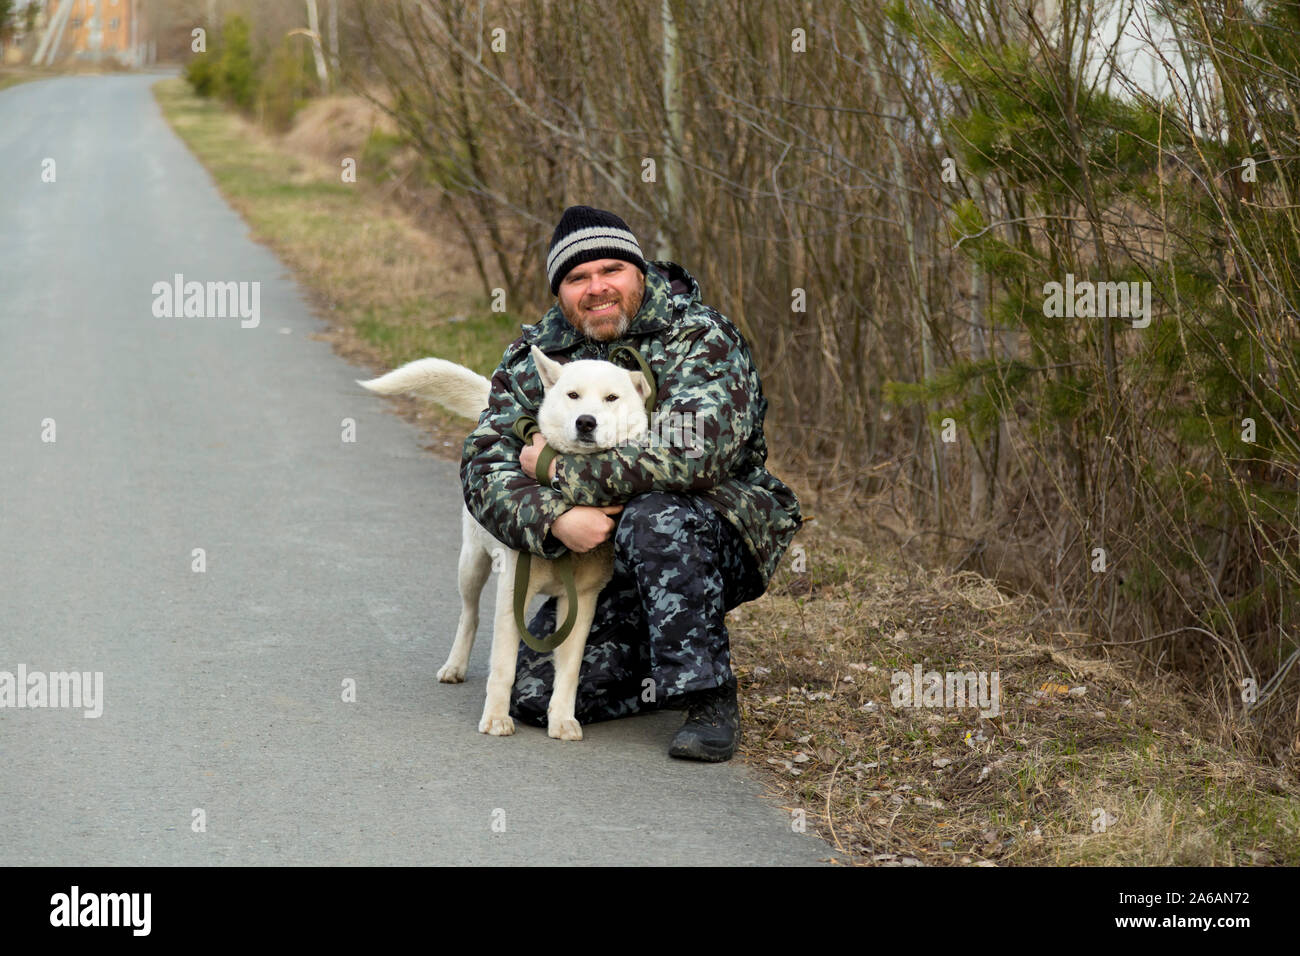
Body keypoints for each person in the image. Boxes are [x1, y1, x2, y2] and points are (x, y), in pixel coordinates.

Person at [460, 205, 801, 761]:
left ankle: (706, 692)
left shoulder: (699, 337)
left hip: (712, 528)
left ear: (639, 271)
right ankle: (649, 650)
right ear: (561, 290)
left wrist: (555, 470)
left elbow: (695, 455)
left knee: (655, 514)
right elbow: (482, 466)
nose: (596, 288)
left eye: (610, 270)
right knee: (533, 697)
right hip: (593, 555)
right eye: (577, 278)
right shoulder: (534, 358)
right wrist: (553, 519)